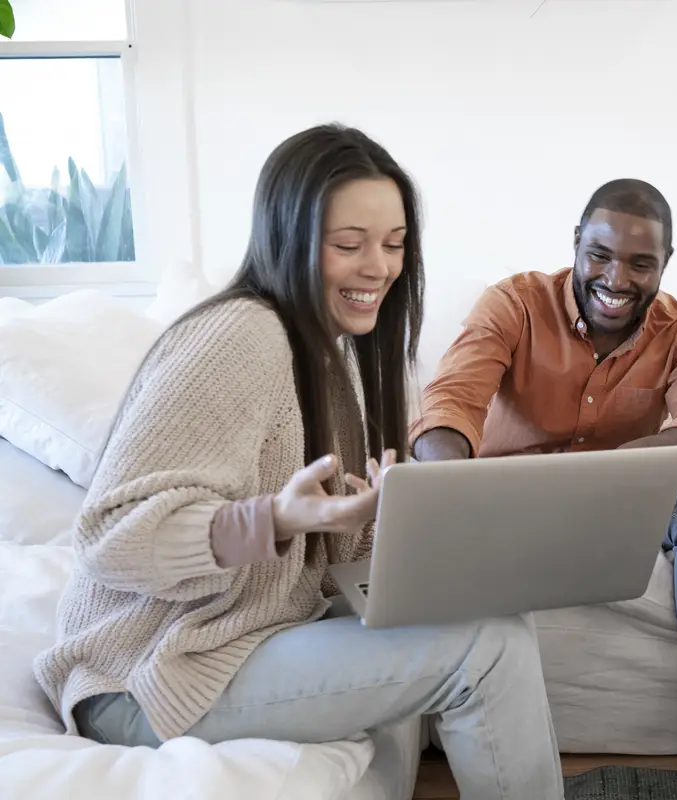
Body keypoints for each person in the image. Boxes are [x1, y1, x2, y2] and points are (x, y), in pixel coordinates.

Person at [33, 124, 564, 800]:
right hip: (144, 676)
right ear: (289, 237)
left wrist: (425, 536)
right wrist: (275, 518)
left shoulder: (346, 355)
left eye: (395, 245)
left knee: (477, 618)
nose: (379, 266)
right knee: (486, 647)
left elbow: (342, 547)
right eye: (349, 245)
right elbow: (110, 535)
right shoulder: (238, 337)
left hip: (247, 639)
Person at [409, 179, 677, 799]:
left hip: (625, 497)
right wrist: (450, 485)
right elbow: (449, 405)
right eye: (600, 254)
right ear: (576, 243)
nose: (616, 278)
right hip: (515, 494)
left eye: (640, 262)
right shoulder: (513, 303)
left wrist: (614, 468)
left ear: (665, 264)